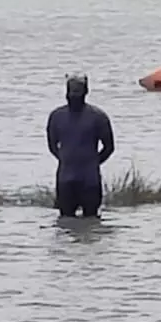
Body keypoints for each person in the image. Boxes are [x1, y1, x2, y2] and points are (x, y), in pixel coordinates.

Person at [46, 75, 115, 218]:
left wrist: (93, 162)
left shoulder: (98, 117)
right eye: (71, 92)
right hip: (65, 179)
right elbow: (52, 145)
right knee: (65, 223)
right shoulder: (56, 116)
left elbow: (109, 147)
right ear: (66, 93)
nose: (74, 95)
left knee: (91, 222)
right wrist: (66, 159)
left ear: (86, 92)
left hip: (90, 181)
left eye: (78, 92)